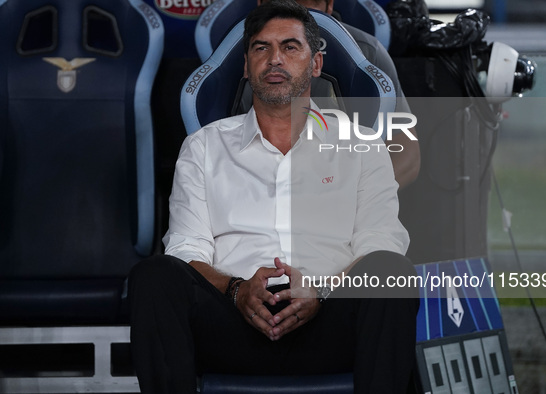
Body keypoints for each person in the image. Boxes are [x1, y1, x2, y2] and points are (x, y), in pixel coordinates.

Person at [129, 1, 418, 393]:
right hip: (233, 325)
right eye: (261, 48)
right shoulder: (204, 147)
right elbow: (186, 250)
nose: (275, 59)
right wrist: (237, 290)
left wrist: (319, 290)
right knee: (155, 276)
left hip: (329, 323)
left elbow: (381, 243)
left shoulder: (362, 144)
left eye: (290, 47)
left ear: (316, 65)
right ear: (246, 67)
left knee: (391, 272)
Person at [259, 0, 421, 189]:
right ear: (260, 4)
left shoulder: (368, 52)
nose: (296, 13)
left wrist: (355, 197)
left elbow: (407, 157)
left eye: (309, 4)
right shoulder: (234, 52)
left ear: (329, 6)